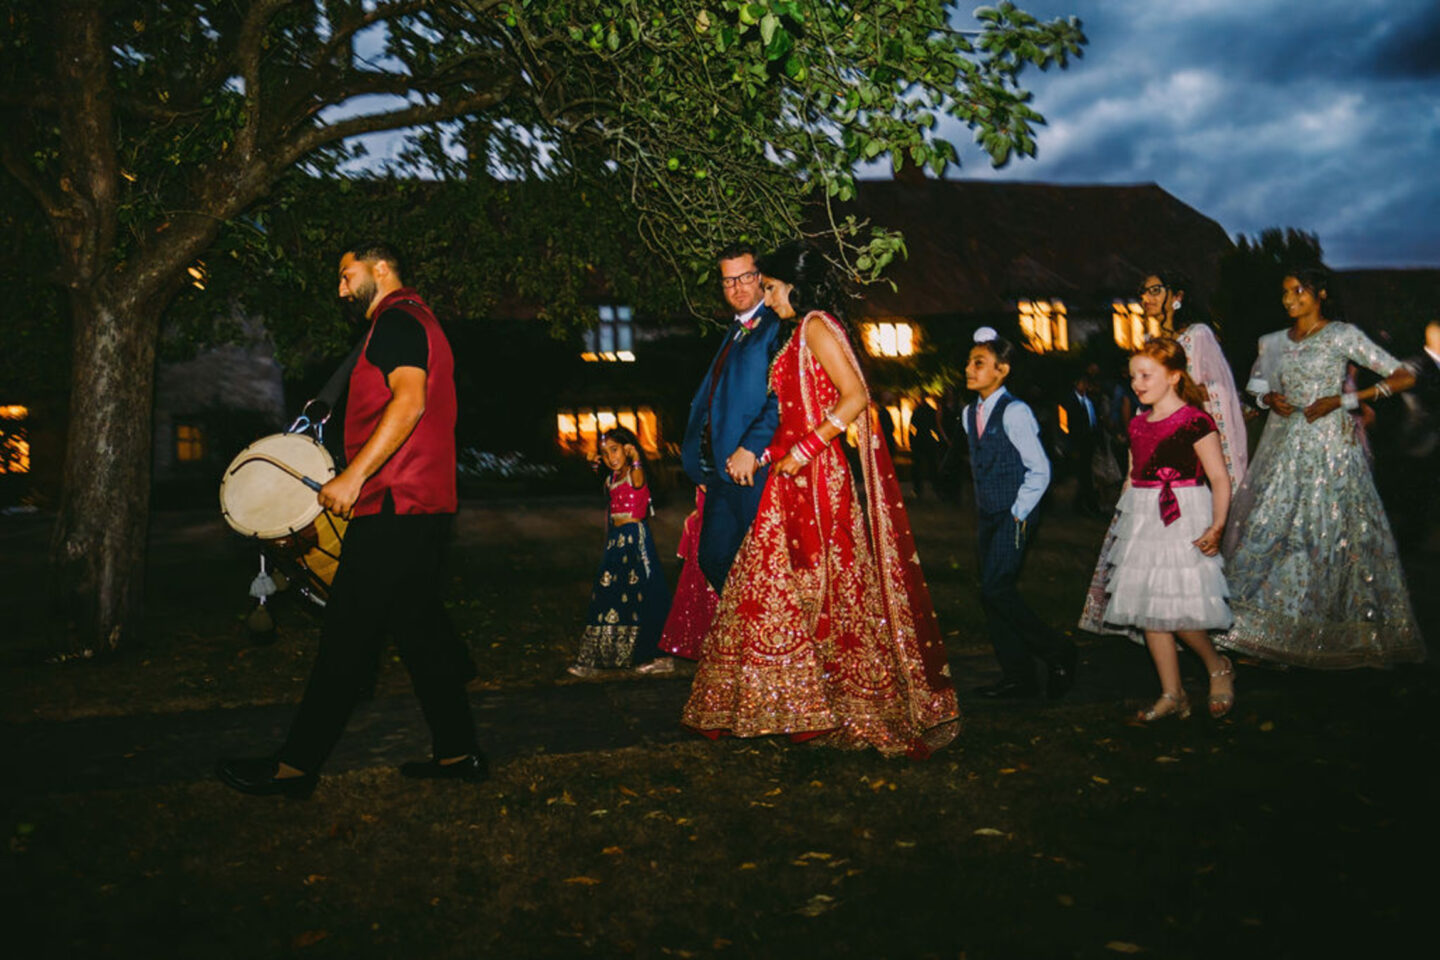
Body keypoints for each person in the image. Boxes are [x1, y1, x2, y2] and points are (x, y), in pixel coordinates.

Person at [218, 242, 484, 798]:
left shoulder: (396, 320)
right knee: (419, 632)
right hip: (419, 505)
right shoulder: (413, 323)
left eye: (347, 275)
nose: (340, 289)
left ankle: (294, 769)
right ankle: (459, 753)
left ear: (380, 268)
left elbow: (408, 403)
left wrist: (354, 476)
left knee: (346, 636)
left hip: (392, 503)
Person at [681, 242, 959, 756]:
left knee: (822, 587)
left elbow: (855, 396)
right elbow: (789, 417)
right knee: (779, 587)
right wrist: (769, 458)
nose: (765, 295)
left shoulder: (815, 326)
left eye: (768, 286)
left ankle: (825, 700)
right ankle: (794, 699)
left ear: (791, 283)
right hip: (790, 477)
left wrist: (807, 449)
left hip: (818, 479)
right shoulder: (796, 332)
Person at [1221, 267, 1424, 669]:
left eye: (1299, 290)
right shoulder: (1272, 342)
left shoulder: (1342, 335)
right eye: (1285, 292)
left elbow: (1402, 376)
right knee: (1274, 531)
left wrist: (1345, 401)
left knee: (1325, 536)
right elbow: (1257, 386)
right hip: (1285, 450)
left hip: (1331, 449)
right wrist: (1268, 401)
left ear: (1321, 294)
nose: (1290, 298)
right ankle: (1268, 631)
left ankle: (1320, 631)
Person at [1091, 338, 1235, 721]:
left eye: (1146, 375)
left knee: (1181, 612)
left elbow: (1220, 478)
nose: (1137, 383)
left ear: (1173, 376)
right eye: (1133, 375)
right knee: (1151, 610)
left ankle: (1217, 665)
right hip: (1145, 518)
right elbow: (1132, 477)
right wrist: (1124, 526)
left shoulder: (1195, 421)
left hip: (1185, 516)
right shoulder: (1137, 424)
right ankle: (1173, 693)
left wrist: (1217, 526)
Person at [961, 329, 1077, 700]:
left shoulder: (1016, 412)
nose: (969, 368)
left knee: (996, 588)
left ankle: (1058, 652)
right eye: (969, 362)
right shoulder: (969, 413)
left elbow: (1040, 468)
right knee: (992, 592)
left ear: (1002, 370)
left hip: (1014, 513)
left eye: (979, 363)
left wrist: (1017, 512)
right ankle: (1018, 676)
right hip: (987, 514)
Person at [681, 244, 784, 594]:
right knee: (713, 557)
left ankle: (774, 642)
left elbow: (782, 397)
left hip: (753, 468)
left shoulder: (777, 326)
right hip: (720, 471)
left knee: (763, 561)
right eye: (728, 282)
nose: (737, 288)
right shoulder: (735, 330)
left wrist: (752, 447)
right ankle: (751, 636)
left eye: (745, 277)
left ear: (761, 277)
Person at [568, 427, 673, 677]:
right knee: (608, 593)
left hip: (635, 539)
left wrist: (635, 456)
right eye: (605, 454)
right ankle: (600, 657)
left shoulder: (636, 472)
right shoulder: (611, 478)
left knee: (644, 593)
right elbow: (598, 478)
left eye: (615, 450)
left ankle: (658, 656)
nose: (610, 457)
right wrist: (594, 463)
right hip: (616, 541)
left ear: (627, 449)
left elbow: (638, 484)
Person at [1139, 271, 1248, 492]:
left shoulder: (1196, 335)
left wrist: (1182, 392)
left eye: (1155, 291)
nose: (1146, 299)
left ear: (1177, 297)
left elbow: (1220, 387)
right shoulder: (1150, 344)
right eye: (1143, 293)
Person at [656, 486, 719, 662]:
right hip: (701, 528)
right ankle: (700, 643)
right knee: (696, 587)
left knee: (711, 585)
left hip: (713, 529)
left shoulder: (712, 469)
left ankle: (715, 643)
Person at [1058, 368, 1103, 517]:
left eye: (1086, 383)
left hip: (1089, 442)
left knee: (1086, 475)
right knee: (1083, 475)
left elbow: (1094, 421)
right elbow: (1064, 424)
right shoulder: (1069, 401)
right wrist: (1068, 443)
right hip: (1077, 443)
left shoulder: (1090, 401)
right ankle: (1086, 504)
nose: (1084, 386)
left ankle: (1082, 504)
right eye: (1082, 383)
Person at [908, 394, 947, 499]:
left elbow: (912, 428)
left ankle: (918, 489)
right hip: (928, 441)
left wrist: (911, 441)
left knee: (918, 466)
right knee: (932, 466)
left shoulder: (917, 412)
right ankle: (936, 488)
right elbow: (935, 428)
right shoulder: (931, 412)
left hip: (919, 441)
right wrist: (937, 440)